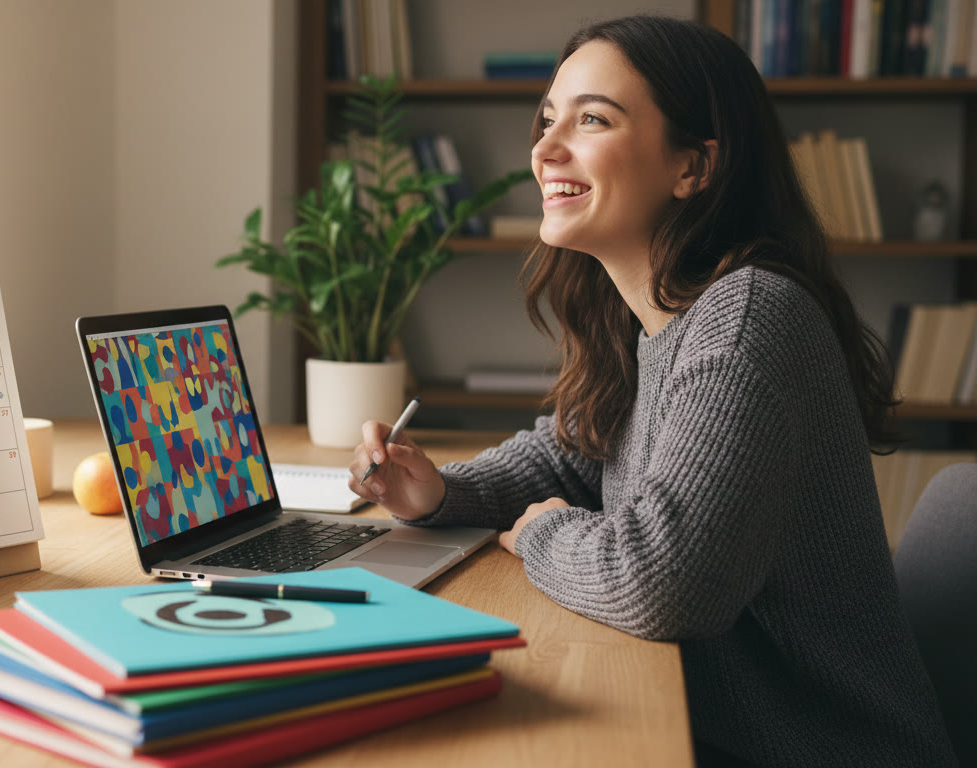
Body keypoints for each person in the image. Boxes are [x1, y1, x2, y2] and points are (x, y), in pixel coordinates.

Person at [347, 15, 956, 767]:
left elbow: (666, 583)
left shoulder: (748, 318)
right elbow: (569, 458)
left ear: (693, 167)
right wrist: (438, 493)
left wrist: (542, 533)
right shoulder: (654, 319)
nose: (543, 149)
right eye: (546, 120)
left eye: (592, 118)